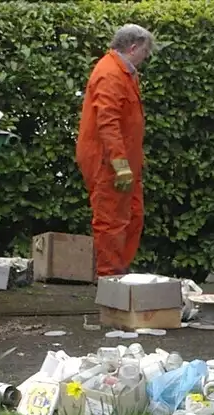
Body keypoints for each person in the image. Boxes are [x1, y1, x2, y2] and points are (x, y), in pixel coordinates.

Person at [77, 25, 159, 278]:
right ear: (133, 47)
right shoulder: (110, 74)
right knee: (111, 221)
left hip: (121, 161)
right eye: (145, 50)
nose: (147, 56)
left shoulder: (124, 72)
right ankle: (110, 279)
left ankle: (119, 274)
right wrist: (120, 164)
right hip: (108, 161)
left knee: (132, 216)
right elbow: (108, 122)